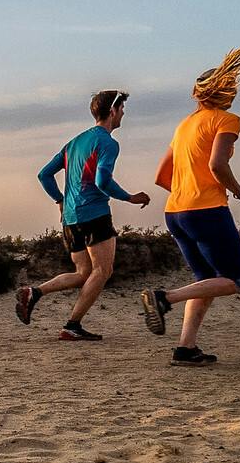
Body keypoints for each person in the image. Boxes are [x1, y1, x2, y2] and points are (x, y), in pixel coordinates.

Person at [141, 47, 240, 365]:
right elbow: (217, 164)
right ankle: (163, 299)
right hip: (206, 211)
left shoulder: (184, 125)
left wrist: (187, 192)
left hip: (175, 212)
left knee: (205, 281)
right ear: (225, 91)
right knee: (233, 280)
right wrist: (238, 191)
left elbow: (160, 175)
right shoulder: (227, 120)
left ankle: (185, 348)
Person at [16, 89, 150, 340]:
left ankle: (34, 292)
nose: (123, 114)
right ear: (112, 111)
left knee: (83, 273)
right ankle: (72, 325)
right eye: (122, 110)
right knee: (103, 271)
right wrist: (130, 197)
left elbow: (44, 175)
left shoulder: (74, 142)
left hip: (70, 218)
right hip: (94, 214)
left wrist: (59, 199)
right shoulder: (108, 142)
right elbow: (102, 180)